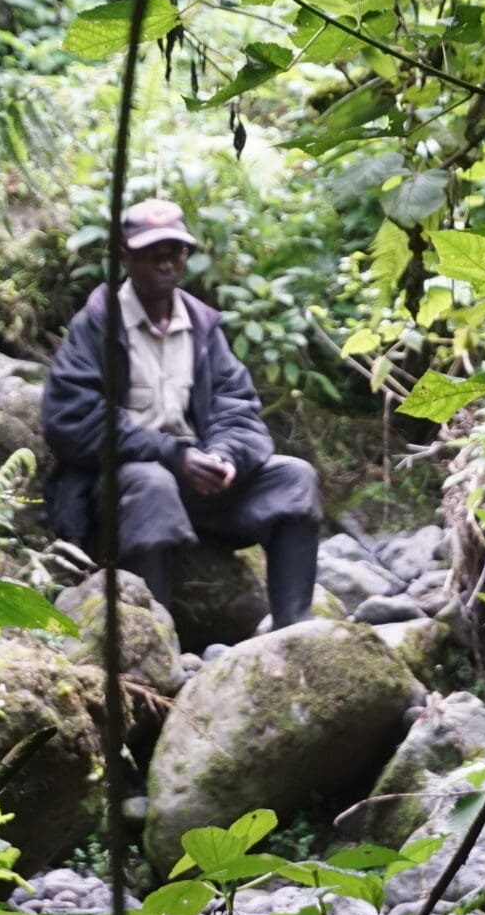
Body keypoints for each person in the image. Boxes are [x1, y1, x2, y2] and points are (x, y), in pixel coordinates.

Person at [41, 198, 322, 630]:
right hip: (121, 493)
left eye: (174, 250)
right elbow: (73, 420)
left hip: (198, 486)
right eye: (152, 251)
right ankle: (155, 636)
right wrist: (172, 455)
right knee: (152, 482)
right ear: (125, 257)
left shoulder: (203, 327)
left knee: (295, 477)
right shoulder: (97, 324)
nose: (165, 261)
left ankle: (293, 629)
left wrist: (224, 458)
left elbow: (239, 408)